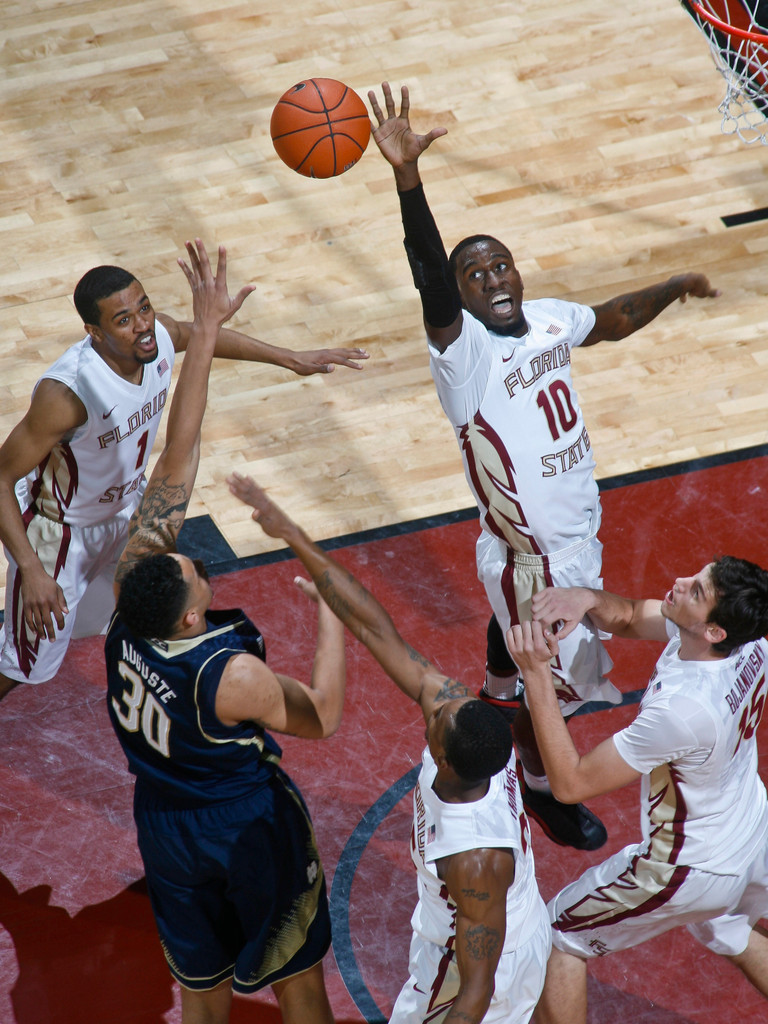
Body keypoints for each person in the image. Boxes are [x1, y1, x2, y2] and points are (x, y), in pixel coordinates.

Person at [366, 80, 721, 851]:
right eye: (476, 275)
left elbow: (615, 317)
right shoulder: (463, 358)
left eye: (500, 267)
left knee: (513, 662)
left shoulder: (550, 318)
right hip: (536, 561)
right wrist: (407, 179)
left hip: (566, 539)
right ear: (460, 300)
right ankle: (536, 785)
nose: (492, 279)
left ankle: (493, 699)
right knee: (545, 687)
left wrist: (674, 285)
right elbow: (429, 274)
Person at [105, 239, 346, 1024]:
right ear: (189, 613)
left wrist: (202, 335)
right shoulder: (227, 673)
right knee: (298, 978)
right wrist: (333, 618)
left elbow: (178, 453)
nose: (196, 561)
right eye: (194, 571)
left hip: (164, 824)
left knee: (200, 992)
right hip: (242, 827)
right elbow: (324, 715)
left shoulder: (127, 611)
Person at [227, 472, 552, 1024]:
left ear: (444, 758)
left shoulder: (475, 858)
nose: (435, 698)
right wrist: (293, 535)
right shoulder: (473, 740)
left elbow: (475, 991)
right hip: (501, 930)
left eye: (439, 714)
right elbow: (377, 628)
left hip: (476, 968)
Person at [0, 256, 367, 702]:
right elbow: (2, 478)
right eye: (123, 320)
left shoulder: (157, 338)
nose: (141, 325)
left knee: (155, 612)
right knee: (24, 665)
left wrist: (288, 359)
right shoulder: (67, 394)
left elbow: (199, 336)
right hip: (61, 532)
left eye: (144, 308)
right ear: (94, 333)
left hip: (128, 514)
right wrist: (31, 570)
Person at [506, 559, 768, 1023]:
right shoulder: (750, 643)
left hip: (690, 865)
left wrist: (536, 674)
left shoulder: (683, 712)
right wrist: (587, 598)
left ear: (712, 632)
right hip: (749, 826)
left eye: (696, 592)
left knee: (555, 937)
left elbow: (571, 782)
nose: (681, 581)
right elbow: (628, 615)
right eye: (697, 575)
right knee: (723, 925)